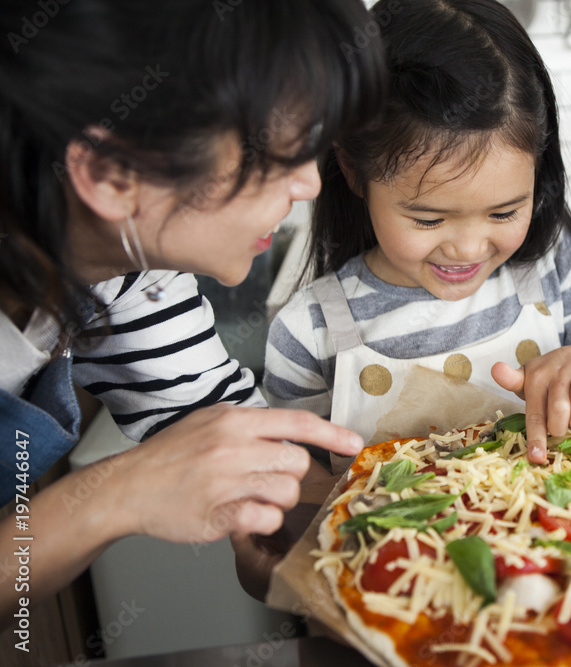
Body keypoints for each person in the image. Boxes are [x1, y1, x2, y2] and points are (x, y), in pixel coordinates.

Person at [0, 0, 386, 620]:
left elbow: (231, 431)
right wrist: (114, 494)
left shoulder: (133, 277)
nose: (310, 184)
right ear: (112, 172)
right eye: (276, 153)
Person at [263, 0, 571, 468]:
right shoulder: (310, 330)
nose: (469, 249)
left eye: (504, 212)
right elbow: (294, 491)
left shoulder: (556, 268)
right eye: (429, 220)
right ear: (353, 172)